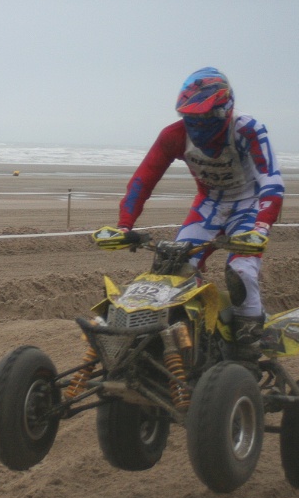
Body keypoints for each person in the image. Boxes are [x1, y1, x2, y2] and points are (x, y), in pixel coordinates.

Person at [114, 67, 285, 357]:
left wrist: (262, 227)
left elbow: (271, 179)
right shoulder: (173, 135)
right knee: (173, 266)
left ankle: (251, 331)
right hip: (209, 205)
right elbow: (144, 178)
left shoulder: (247, 129)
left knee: (241, 270)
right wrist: (124, 225)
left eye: (203, 116)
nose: (197, 124)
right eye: (190, 118)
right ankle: (191, 332)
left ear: (224, 110)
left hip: (249, 203)